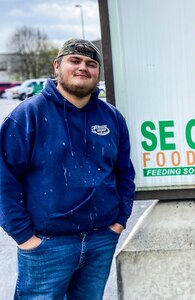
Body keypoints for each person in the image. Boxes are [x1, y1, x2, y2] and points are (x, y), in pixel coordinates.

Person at [0, 38, 136, 299]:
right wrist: (25, 237)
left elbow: (124, 174)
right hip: (46, 246)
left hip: (100, 240)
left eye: (91, 63)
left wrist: (119, 222)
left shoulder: (112, 118)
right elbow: (4, 180)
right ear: (57, 66)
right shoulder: (27, 116)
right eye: (75, 60)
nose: (83, 67)